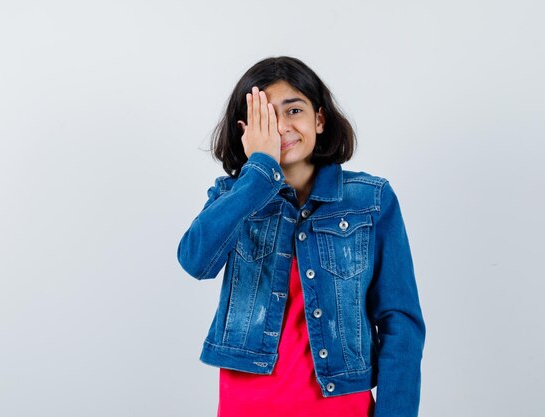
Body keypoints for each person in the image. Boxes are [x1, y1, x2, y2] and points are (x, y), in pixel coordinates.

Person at [176, 56, 426, 417]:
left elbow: (400, 320)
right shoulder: (232, 196)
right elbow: (195, 261)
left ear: (319, 119)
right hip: (247, 406)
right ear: (248, 131)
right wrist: (259, 172)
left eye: (293, 110)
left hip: (342, 408)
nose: (281, 127)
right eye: (266, 116)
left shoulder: (371, 200)